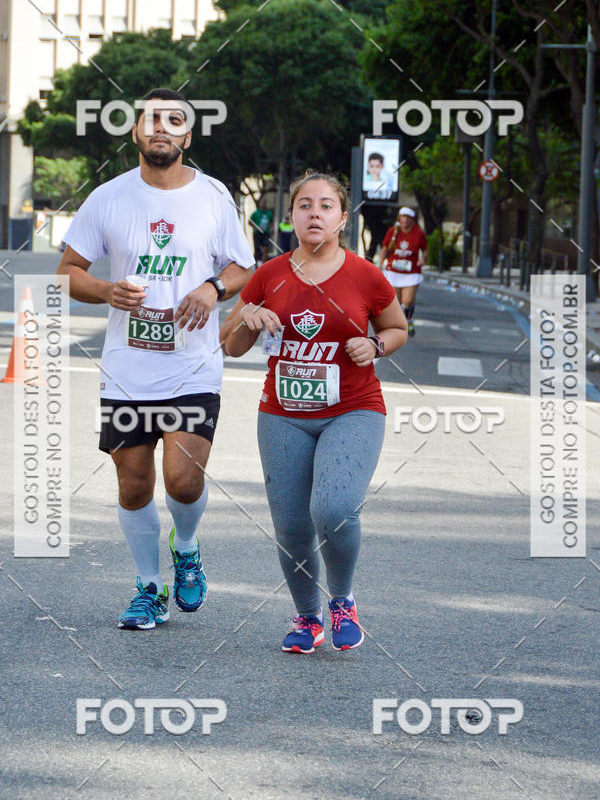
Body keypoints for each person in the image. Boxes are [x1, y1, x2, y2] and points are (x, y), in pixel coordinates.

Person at [57, 87, 254, 630]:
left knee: (182, 482)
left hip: (192, 365)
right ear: (136, 132)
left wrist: (213, 289)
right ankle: (149, 587)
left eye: (174, 121)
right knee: (134, 484)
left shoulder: (213, 196)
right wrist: (105, 291)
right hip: (127, 370)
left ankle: (186, 546)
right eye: (151, 120)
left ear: (187, 136)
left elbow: (244, 267)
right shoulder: (109, 198)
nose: (161, 128)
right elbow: (66, 272)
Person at [220, 171, 407, 654]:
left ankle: (342, 601)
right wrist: (248, 316)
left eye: (326, 206)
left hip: (353, 409)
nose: (314, 213)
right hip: (282, 414)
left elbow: (397, 327)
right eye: (305, 205)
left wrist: (376, 344)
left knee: (334, 510)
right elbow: (232, 344)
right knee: (291, 525)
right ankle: (308, 618)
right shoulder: (270, 273)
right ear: (292, 217)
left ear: (342, 219)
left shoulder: (365, 274)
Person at [381, 206, 428, 337]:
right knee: (396, 301)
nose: (405, 220)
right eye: (403, 217)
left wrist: (423, 259)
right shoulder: (392, 231)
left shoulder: (419, 233)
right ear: (399, 219)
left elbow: (425, 250)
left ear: (413, 220)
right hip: (394, 271)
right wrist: (380, 263)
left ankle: (409, 320)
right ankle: (396, 324)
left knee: (408, 300)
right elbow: (385, 248)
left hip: (412, 272)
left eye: (408, 218)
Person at [250, 197, 274, 264]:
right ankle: (256, 266)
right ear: (260, 204)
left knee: (265, 249)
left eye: (265, 203)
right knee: (257, 250)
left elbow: (271, 222)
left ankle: (264, 265)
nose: (263, 204)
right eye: (262, 203)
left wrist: (272, 228)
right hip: (257, 233)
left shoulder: (269, 213)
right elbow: (250, 222)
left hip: (266, 233)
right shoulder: (256, 213)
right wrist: (255, 227)